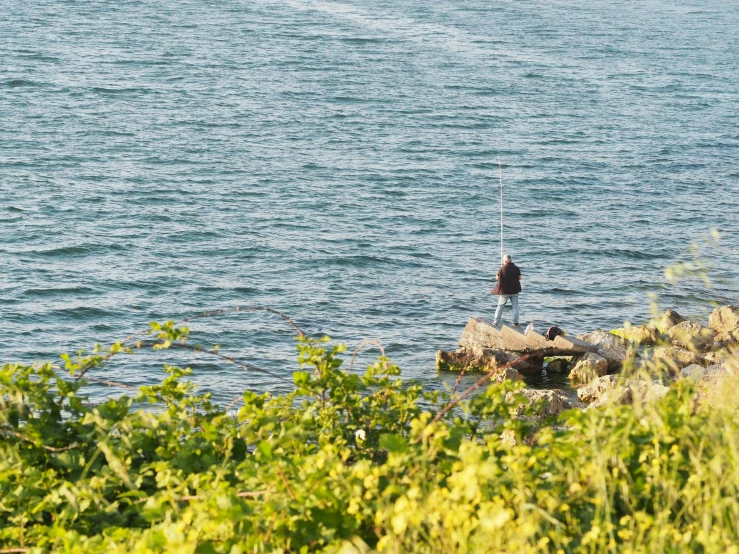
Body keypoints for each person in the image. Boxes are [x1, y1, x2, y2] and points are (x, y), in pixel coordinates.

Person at [491, 254, 522, 327]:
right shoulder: (516, 268)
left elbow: (497, 278)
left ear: (505, 261)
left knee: (500, 307)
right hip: (514, 291)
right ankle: (515, 322)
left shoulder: (502, 268)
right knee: (515, 307)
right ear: (511, 260)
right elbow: (520, 278)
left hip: (504, 291)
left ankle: (496, 322)